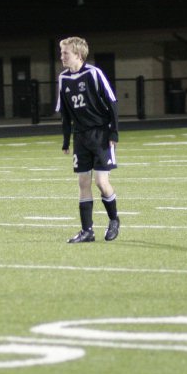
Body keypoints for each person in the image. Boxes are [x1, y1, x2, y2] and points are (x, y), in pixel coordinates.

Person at [55, 36, 120, 243]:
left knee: (101, 182)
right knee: (83, 182)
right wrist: (66, 140)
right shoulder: (63, 78)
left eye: (65, 53)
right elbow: (65, 113)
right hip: (80, 137)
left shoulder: (94, 73)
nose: (62, 56)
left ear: (78, 54)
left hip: (100, 134)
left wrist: (114, 132)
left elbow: (112, 103)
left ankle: (114, 219)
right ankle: (87, 231)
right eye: (61, 52)